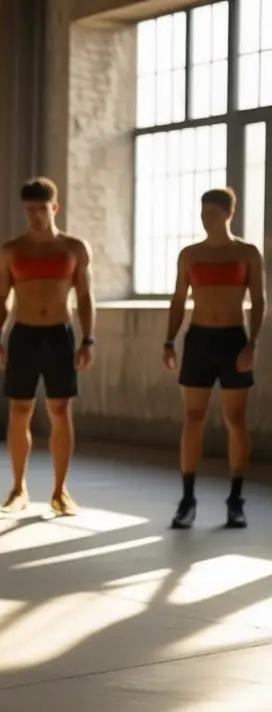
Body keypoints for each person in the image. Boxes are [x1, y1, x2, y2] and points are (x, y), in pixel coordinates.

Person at [0, 177, 94, 516]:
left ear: (55, 207)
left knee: (60, 411)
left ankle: (60, 490)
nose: (35, 216)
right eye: (29, 210)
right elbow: (1, 297)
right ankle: (18, 488)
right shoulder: (12, 250)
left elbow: (85, 297)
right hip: (23, 335)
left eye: (42, 209)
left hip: (59, 335)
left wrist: (87, 339)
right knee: (19, 411)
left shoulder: (74, 248)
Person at [163, 188, 265, 530]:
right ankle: (187, 498)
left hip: (234, 340)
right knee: (193, 417)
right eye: (203, 214)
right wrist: (169, 340)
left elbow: (259, 300)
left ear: (228, 214)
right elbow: (178, 300)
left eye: (213, 214)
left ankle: (236, 500)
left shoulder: (248, 253)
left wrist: (252, 343)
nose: (206, 220)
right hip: (199, 340)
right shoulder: (190, 254)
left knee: (235, 419)